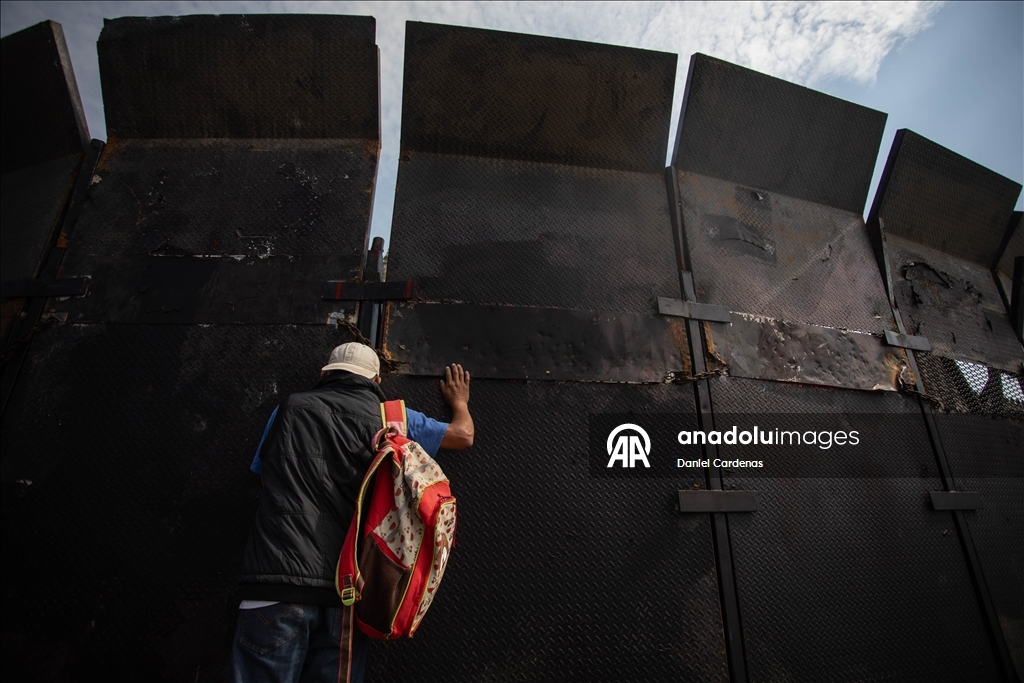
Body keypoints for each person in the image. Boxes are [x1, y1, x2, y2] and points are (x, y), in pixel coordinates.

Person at [231, 342, 474, 683]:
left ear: (323, 374)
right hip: (345, 593)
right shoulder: (393, 419)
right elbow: (463, 436)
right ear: (376, 380)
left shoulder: (288, 408)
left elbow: (263, 475)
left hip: (273, 584)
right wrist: (459, 403)